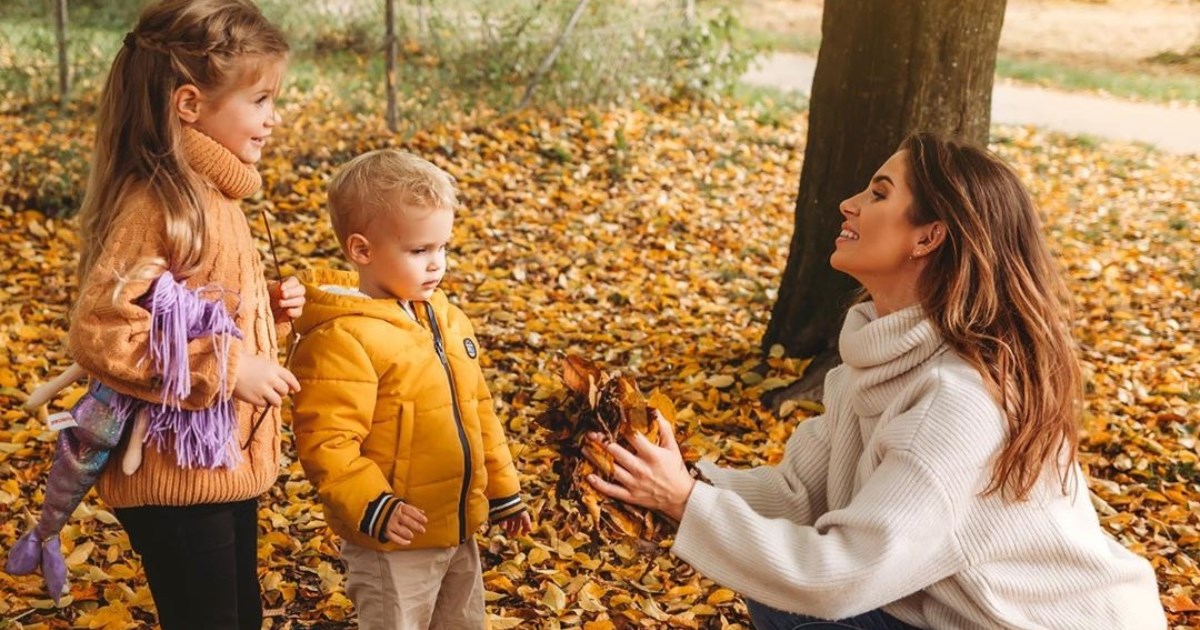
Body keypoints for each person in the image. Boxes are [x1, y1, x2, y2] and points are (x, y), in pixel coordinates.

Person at [586, 133, 1168, 629]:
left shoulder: (954, 401)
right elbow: (799, 496)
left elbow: (838, 577)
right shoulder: (880, 361)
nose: (848, 204)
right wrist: (677, 477)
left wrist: (683, 503)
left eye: (878, 194)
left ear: (927, 236)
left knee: (796, 601)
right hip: (953, 613)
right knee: (775, 593)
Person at [44, 1, 303, 627]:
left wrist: (264, 310)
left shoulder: (215, 192)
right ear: (190, 104)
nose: (274, 118)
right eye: (261, 100)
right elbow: (101, 331)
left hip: (219, 467)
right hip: (171, 472)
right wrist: (225, 367)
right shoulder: (158, 202)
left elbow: (190, 309)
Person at [289, 149, 533, 630]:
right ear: (362, 251)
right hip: (393, 538)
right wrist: (376, 505)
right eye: (419, 251)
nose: (436, 264)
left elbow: (476, 411)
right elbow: (327, 443)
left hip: (455, 526)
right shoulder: (342, 337)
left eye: (443, 247)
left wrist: (503, 490)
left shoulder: (444, 317)